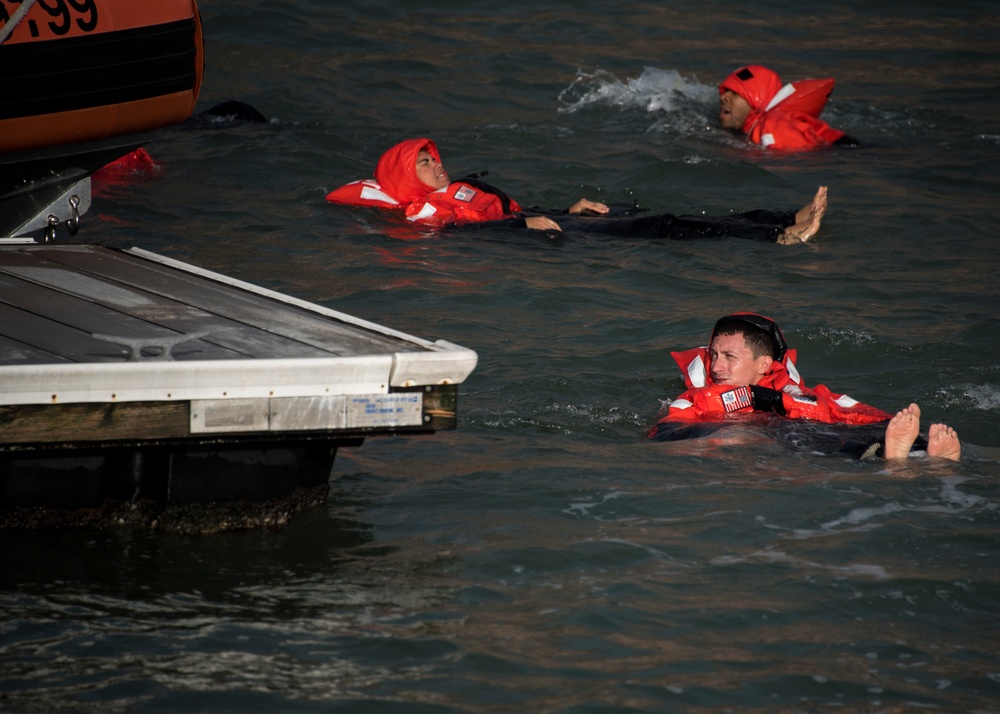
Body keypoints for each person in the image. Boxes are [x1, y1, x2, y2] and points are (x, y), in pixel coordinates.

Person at [327, 137, 827, 243]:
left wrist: (566, 208)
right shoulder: (420, 215)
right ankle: (777, 239)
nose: (437, 164)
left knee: (654, 211)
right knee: (662, 227)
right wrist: (528, 224)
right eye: (424, 162)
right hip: (536, 234)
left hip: (548, 218)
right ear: (405, 177)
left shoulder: (450, 190)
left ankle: (780, 215)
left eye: (434, 156)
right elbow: (471, 234)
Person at [649, 313, 961, 461]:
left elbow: (852, 412)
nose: (716, 366)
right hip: (772, 436)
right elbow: (665, 433)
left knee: (849, 429)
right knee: (800, 437)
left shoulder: (794, 391)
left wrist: (890, 424)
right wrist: (733, 428)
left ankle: (919, 449)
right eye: (714, 355)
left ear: (763, 365)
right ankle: (894, 456)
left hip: (805, 423)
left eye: (729, 357)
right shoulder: (693, 398)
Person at [719, 65, 860, 152]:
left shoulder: (773, 124)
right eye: (725, 91)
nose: (724, 97)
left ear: (757, 99)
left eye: (735, 93)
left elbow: (789, 158)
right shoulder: (756, 126)